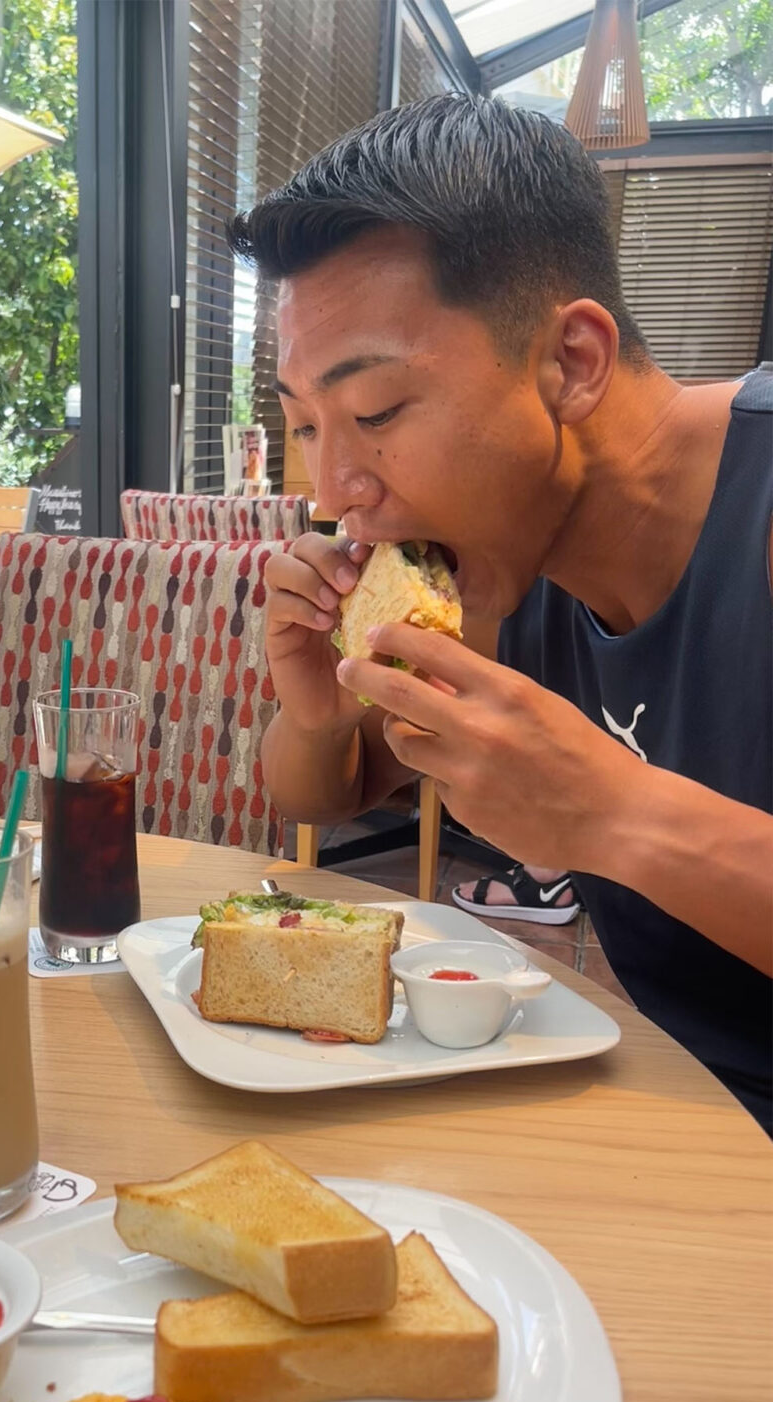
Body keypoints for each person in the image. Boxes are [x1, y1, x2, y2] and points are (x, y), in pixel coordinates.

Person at [239, 94, 772, 1132]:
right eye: (306, 424)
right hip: (684, 1129)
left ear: (570, 362)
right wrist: (315, 706)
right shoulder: (505, 570)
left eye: (377, 412)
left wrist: (616, 813)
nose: (337, 485)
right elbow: (337, 790)